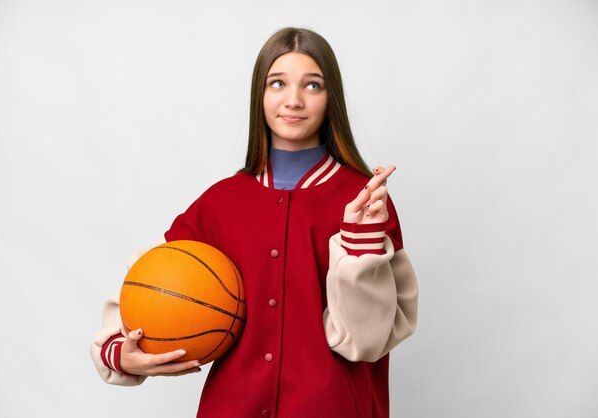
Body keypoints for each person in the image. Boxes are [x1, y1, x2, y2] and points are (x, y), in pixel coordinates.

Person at [91, 27, 418, 418]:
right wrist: (121, 353)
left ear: (331, 99)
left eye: (312, 86)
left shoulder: (365, 201)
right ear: (259, 96)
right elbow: (149, 287)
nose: (293, 100)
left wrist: (360, 243)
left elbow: (367, 341)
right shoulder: (220, 202)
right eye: (277, 83)